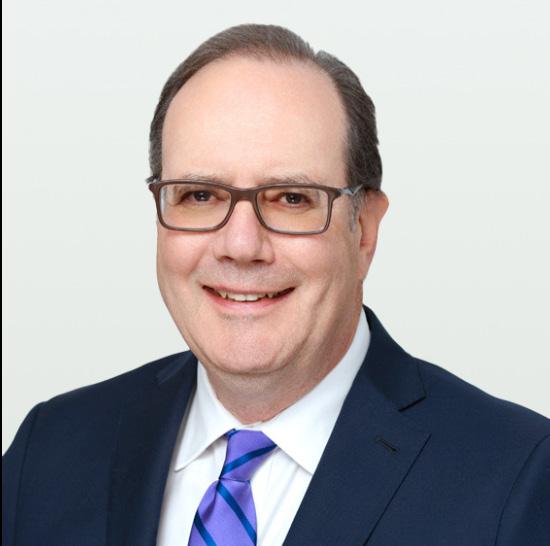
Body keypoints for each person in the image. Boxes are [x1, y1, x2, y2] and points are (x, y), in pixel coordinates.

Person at [3, 23, 549, 546]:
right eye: (199, 195)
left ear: (364, 230)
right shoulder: (48, 452)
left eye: (291, 198)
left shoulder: (518, 480)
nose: (241, 245)